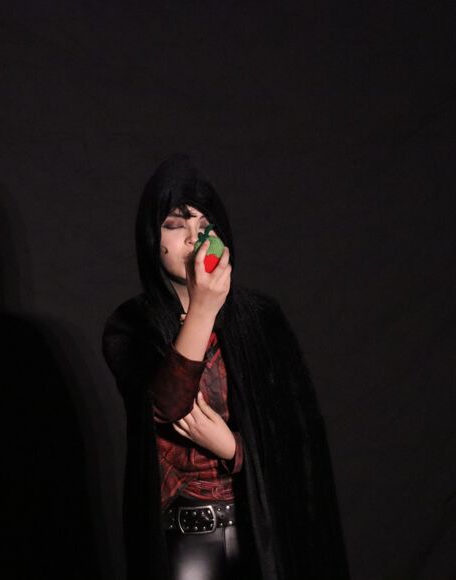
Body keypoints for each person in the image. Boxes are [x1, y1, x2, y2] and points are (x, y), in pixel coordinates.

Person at [102, 156, 348, 579]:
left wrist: (233, 448)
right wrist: (202, 309)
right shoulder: (131, 325)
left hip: (260, 535)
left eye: (205, 225)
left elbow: (299, 445)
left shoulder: (261, 319)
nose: (194, 238)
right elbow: (166, 408)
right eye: (175, 225)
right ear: (152, 237)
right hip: (185, 545)